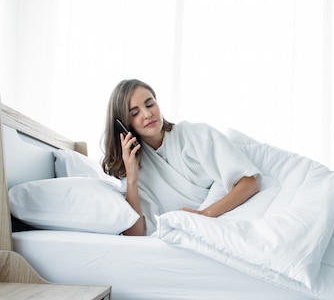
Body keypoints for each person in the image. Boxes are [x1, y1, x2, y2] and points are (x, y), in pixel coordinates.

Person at [102, 79, 261, 236]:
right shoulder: (137, 169)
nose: (147, 114)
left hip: (237, 216)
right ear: (124, 124)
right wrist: (132, 179)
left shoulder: (195, 134)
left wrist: (205, 214)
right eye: (135, 113)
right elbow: (135, 234)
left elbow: (250, 183)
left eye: (150, 104)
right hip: (196, 235)